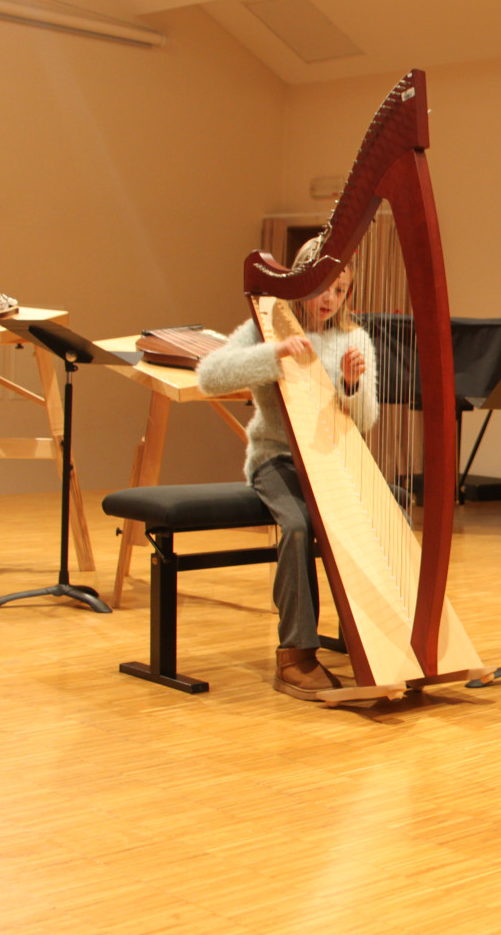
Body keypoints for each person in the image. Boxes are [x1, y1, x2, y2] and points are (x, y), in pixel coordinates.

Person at [197, 238, 378, 701]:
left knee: (382, 512)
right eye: (324, 287)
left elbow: (367, 421)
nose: (330, 299)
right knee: (298, 525)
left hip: (332, 465)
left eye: (341, 291)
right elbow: (209, 376)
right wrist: (273, 355)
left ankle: (373, 638)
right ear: (302, 283)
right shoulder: (266, 328)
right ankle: (295, 654)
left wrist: (352, 386)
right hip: (275, 459)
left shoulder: (353, 339)